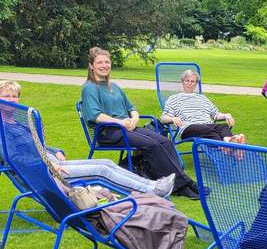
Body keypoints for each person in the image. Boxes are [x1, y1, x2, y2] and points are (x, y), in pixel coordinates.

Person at [0, 80, 174, 196]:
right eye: (6, 96)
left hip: (51, 163)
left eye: (14, 96)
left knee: (105, 162)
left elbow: (35, 145)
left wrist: (54, 151)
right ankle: (152, 190)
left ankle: (152, 185)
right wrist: (47, 164)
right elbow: (12, 157)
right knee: (101, 172)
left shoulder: (17, 122)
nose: (12, 100)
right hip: (43, 172)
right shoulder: (2, 128)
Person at [79, 47, 199, 198]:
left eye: (107, 62)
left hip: (127, 128)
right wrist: (121, 122)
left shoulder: (114, 87)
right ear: (91, 66)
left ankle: (183, 182)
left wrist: (134, 118)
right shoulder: (90, 88)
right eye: (100, 62)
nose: (104, 65)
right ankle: (182, 186)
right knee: (153, 145)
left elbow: (131, 108)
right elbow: (96, 115)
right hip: (109, 133)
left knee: (165, 142)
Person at [160, 69, 245, 144]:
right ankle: (225, 147)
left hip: (207, 125)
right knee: (208, 130)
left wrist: (226, 115)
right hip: (189, 127)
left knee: (223, 127)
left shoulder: (202, 98)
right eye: (187, 80)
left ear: (196, 83)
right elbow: (163, 118)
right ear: (182, 82)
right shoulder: (173, 98)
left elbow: (215, 114)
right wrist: (172, 119)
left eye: (192, 81)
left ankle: (228, 142)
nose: (189, 83)